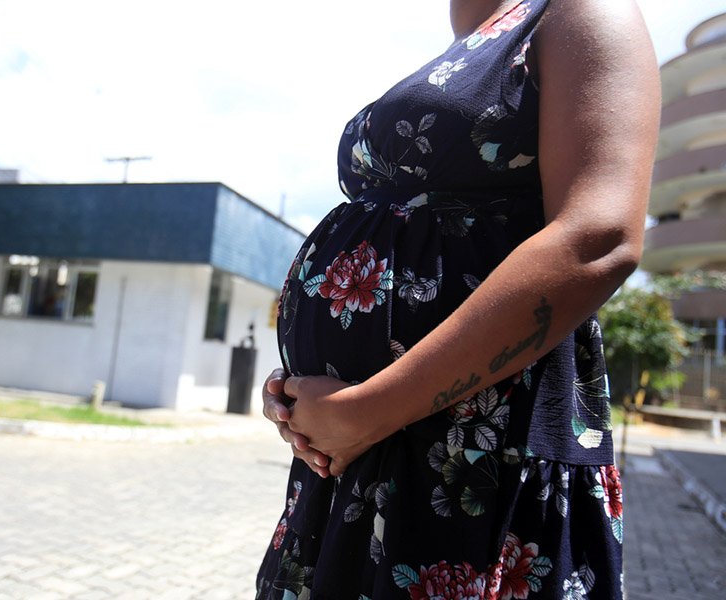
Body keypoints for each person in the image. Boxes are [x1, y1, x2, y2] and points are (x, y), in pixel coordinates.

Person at [257, 0, 660, 598]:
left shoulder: (577, 10)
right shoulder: (472, 43)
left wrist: (369, 408)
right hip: (365, 454)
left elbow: (596, 237)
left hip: (473, 458)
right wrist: (309, 406)